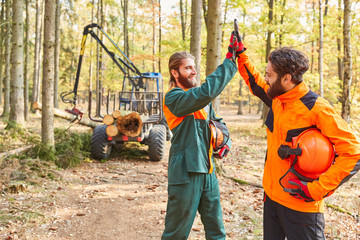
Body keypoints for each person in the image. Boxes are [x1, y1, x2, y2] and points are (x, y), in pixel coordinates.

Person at [233, 37, 360, 239]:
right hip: (272, 200)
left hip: (302, 208)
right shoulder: (277, 97)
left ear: (287, 78)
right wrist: (240, 54)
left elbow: (353, 154)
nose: (266, 78)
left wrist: (316, 189)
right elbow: (255, 83)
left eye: (270, 75)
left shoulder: (317, 108)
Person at [161, 34, 243, 239]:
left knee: (217, 231)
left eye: (193, 67)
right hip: (186, 172)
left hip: (208, 172)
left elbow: (218, 123)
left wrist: (225, 142)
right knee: (176, 234)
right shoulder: (174, 97)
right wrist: (229, 61)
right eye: (188, 67)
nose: (193, 71)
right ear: (175, 72)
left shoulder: (200, 99)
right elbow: (205, 93)